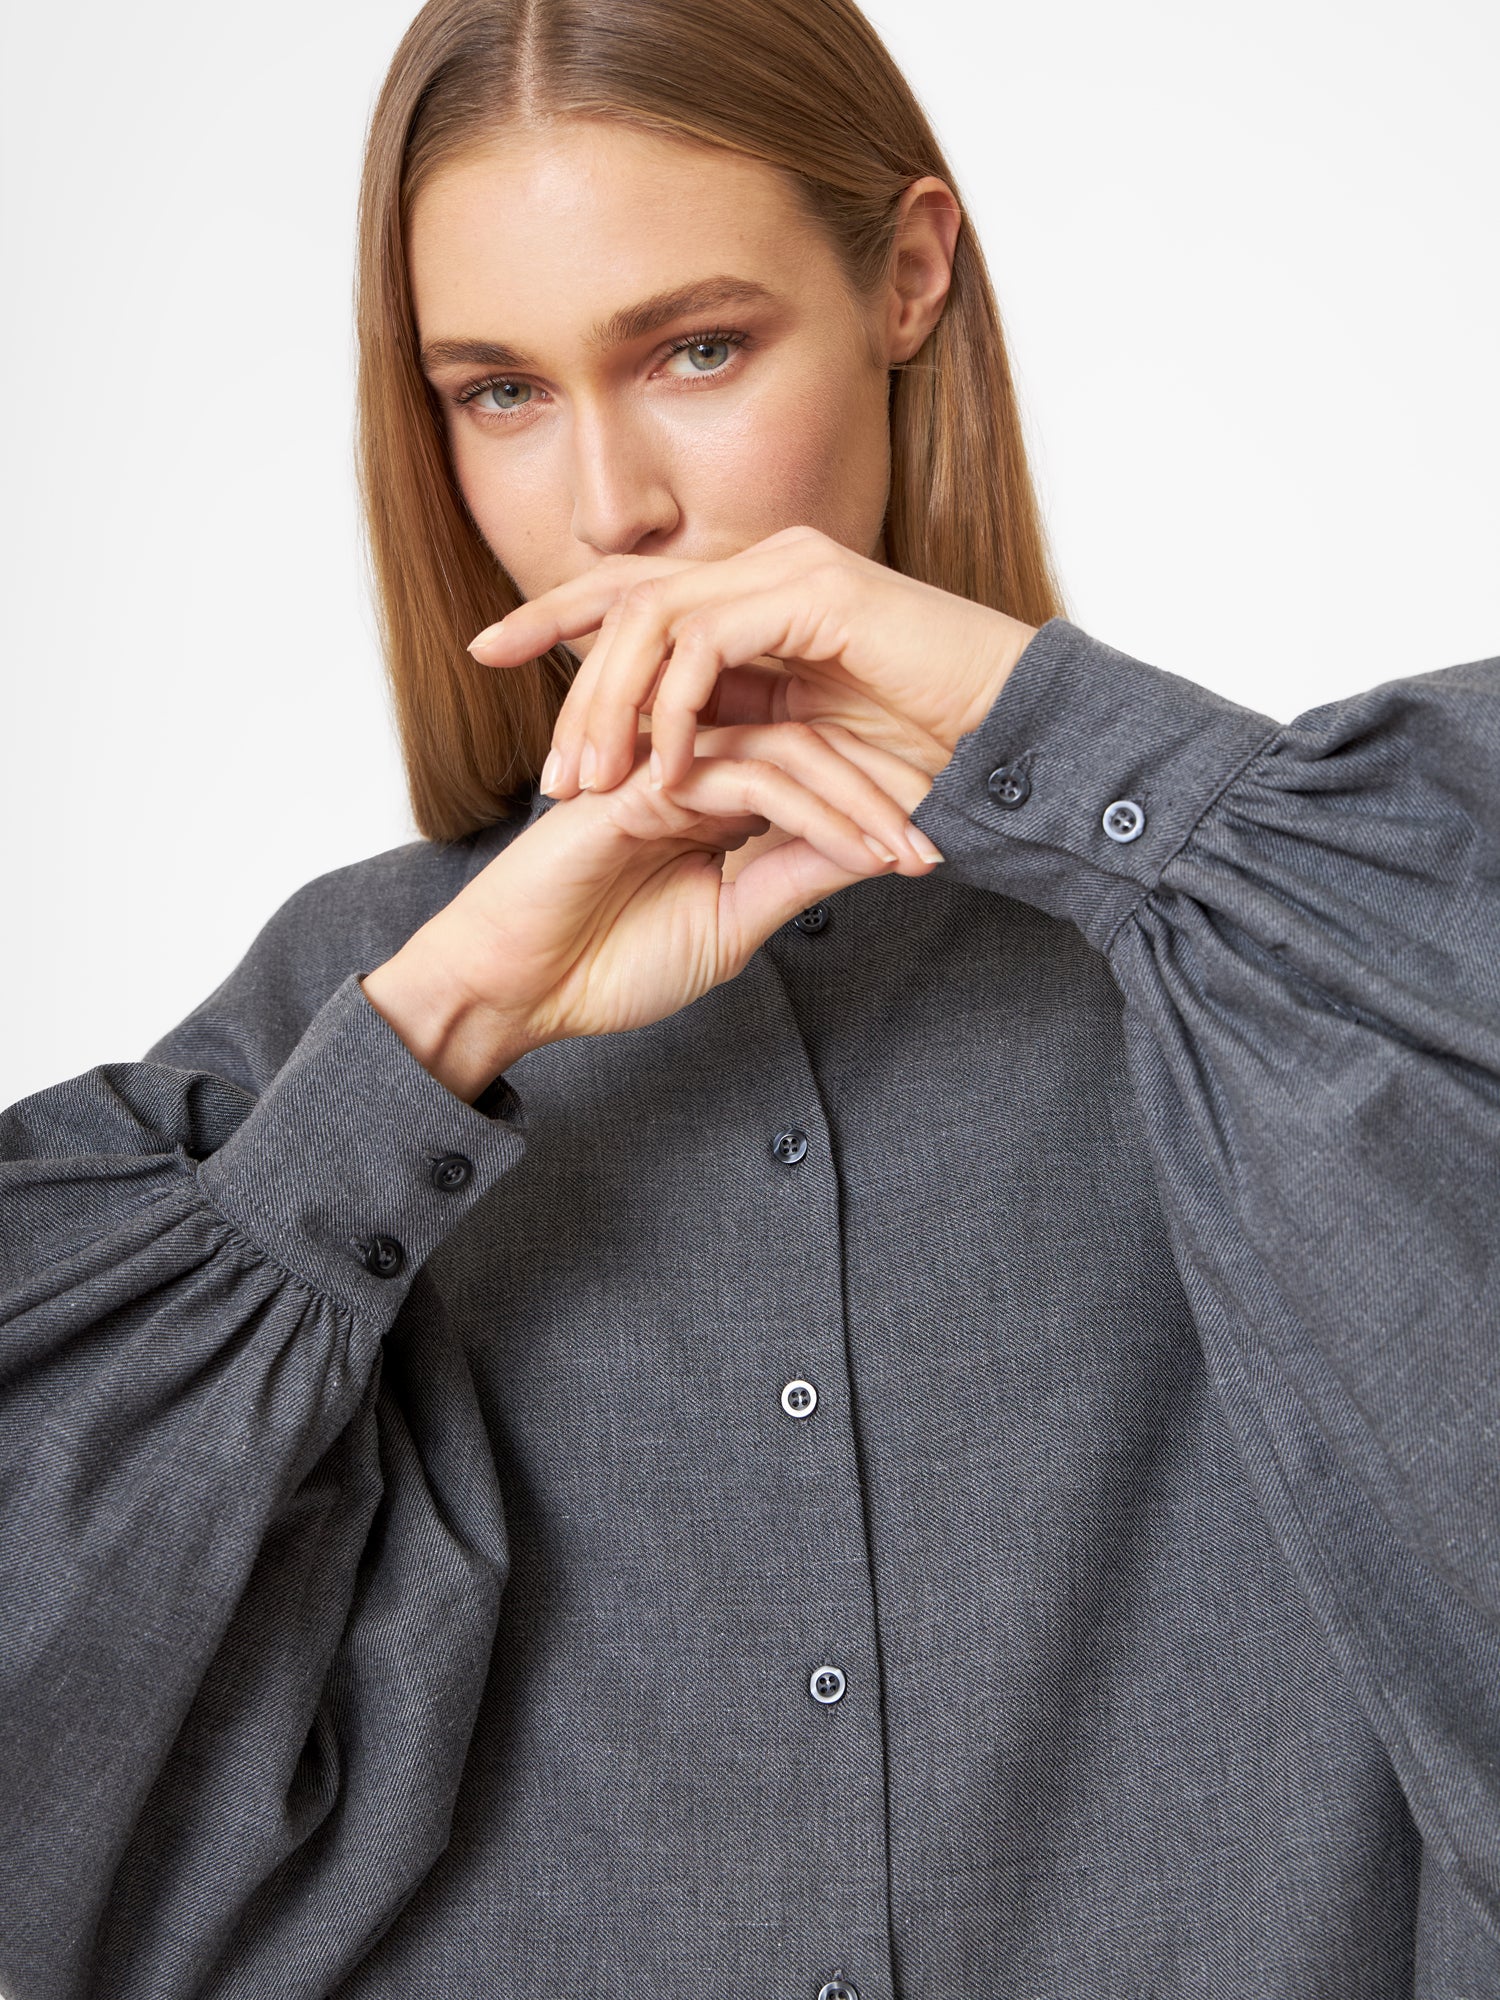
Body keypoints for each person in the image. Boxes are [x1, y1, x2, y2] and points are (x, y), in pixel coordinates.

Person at [2, 0, 1497, 1994]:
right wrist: (426, 1037)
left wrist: (1060, 750)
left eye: (695, 349)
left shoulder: (1300, 941)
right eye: (499, 391)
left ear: (907, 276)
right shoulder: (317, 1045)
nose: (607, 499)